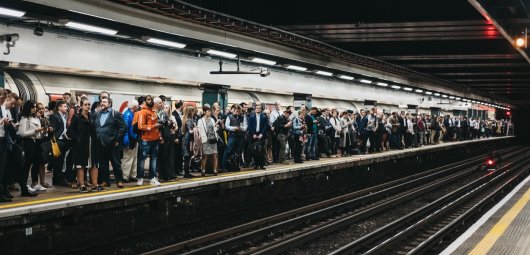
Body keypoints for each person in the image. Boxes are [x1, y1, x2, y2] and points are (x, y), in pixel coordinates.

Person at [68, 98, 104, 192]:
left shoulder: (92, 116)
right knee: (80, 165)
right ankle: (82, 185)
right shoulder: (76, 117)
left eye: (89, 104)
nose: (87, 106)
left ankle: (95, 185)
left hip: (92, 144)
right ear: (81, 106)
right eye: (85, 104)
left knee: (94, 164)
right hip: (81, 145)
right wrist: (77, 140)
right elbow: (70, 131)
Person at [93, 97, 126, 188]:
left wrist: (117, 139)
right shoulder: (97, 114)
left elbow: (123, 127)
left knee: (116, 163)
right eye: (101, 102)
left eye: (104, 102)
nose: (102, 103)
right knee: (103, 164)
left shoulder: (115, 114)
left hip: (112, 143)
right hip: (100, 143)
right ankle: (106, 181)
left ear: (110, 104)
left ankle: (119, 181)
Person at [18, 100, 47, 192]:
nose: (35, 109)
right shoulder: (24, 119)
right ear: (28, 108)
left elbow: (39, 130)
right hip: (29, 142)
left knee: (36, 163)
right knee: (28, 163)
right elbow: (22, 133)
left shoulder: (36, 118)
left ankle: (35, 183)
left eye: (35, 107)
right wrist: (36, 131)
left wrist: (43, 131)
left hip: (38, 141)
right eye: (33, 107)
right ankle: (24, 184)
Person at [137, 96, 163, 185]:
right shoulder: (142, 112)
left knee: (154, 159)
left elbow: (156, 127)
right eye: (148, 99)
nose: (150, 101)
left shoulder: (154, 113)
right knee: (142, 159)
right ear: (144, 102)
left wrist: (159, 136)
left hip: (155, 139)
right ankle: (140, 177)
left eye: (151, 99)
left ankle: (153, 178)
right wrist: (153, 127)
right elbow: (140, 126)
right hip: (145, 139)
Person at [49, 100, 71, 186]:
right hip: (57, 140)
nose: (66, 108)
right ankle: (58, 179)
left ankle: (57, 179)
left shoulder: (63, 116)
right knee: (58, 161)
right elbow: (53, 130)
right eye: (65, 106)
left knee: (61, 161)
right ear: (59, 107)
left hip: (63, 140)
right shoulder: (54, 116)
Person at [197, 104, 219, 175]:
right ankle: (203, 170)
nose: (209, 112)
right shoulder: (200, 121)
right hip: (205, 139)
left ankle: (215, 170)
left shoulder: (212, 119)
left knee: (214, 154)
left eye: (209, 111)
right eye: (208, 111)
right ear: (204, 112)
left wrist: (216, 127)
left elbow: (214, 129)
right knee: (204, 155)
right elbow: (199, 130)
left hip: (213, 139)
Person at [158, 102, 178, 181]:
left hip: (170, 137)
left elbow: (175, 127)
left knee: (170, 156)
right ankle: (164, 174)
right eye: (165, 107)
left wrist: (173, 129)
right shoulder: (161, 115)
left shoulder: (171, 117)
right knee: (164, 156)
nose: (166, 109)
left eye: (167, 107)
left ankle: (170, 173)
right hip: (164, 137)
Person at [121, 100, 139, 183]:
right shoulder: (128, 115)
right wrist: (126, 140)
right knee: (128, 158)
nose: (138, 107)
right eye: (137, 106)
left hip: (133, 138)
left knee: (133, 158)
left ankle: (132, 175)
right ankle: (125, 176)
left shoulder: (130, 114)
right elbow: (125, 129)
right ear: (134, 107)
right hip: (130, 139)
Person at [247, 103, 268, 170]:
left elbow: (265, 126)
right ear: (255, 109)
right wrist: (253, 134)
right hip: (254, 135)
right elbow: (249, 126)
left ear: (261, 109)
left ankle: (262, 165)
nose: (258, 109)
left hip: (261, 135)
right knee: (254, 151)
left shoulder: (264, 117)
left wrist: (261, 134)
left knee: (262, 150)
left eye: (259, 108)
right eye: (257, 108)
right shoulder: (251, 117)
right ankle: (256, 165)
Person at [181, 104, 197, 178]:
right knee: (187, 157)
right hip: (188, 139)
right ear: (191, 112)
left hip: (185, 139)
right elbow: (190, 131)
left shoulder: (184, 118)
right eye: (193, 111)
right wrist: (196, 129)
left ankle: (186, 173)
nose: (194, 112)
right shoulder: (190, 120)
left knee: (186, 157)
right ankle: (186, 173)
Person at [172, 100, 184, 175]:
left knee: (180, 153)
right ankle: (176, 170)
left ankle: (179, 169)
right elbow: (175, 127)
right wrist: (175, 137)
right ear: (181, 106)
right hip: (176, 137)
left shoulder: (180, 114)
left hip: (180, 136)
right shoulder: (174, 114)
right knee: (176, 154)